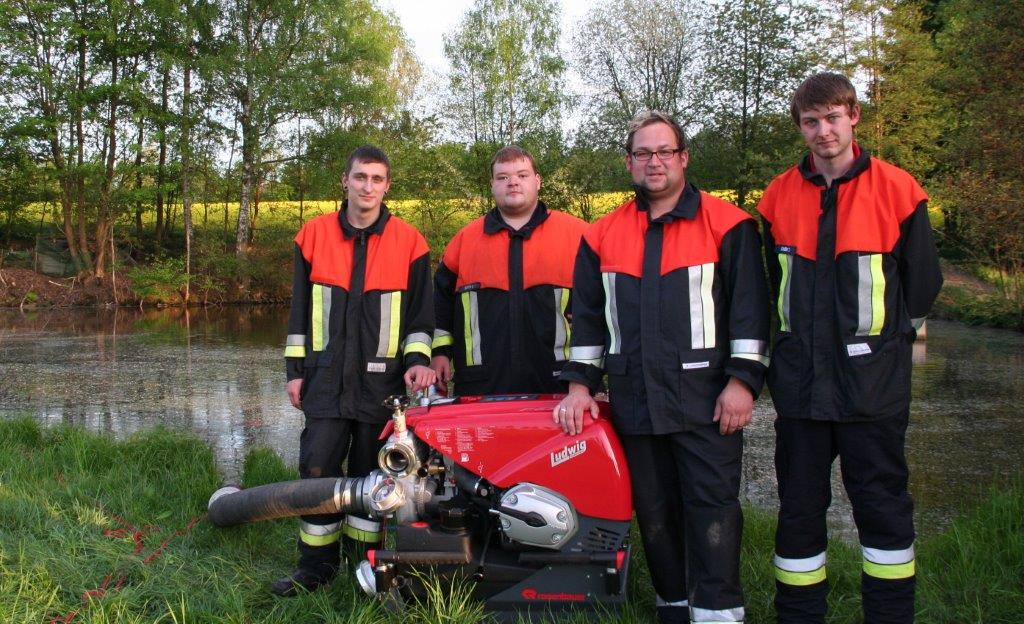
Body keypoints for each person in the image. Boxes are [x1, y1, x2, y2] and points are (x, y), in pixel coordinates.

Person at [554, 111, 771, 624]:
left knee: (712, 509)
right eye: (643, 153)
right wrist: (580, 386)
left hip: (707, 399)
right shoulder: (601, 234)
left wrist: (743, 383)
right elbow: (586, 318)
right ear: (629, 162)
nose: (655, 162)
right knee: (653, 513)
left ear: (683, 158)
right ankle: (672, 606)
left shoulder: (729, 224)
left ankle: (719, 611)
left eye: (664, 152)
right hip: (635, 400)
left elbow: (751, 310)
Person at [757, 72, 942, 623]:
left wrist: (886, 344)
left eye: (832, 117)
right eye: (811, 121)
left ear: (853, 116)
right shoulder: (778, 196)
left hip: (874, 390)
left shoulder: (898, 190)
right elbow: (767, 286)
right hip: (800, 390)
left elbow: (923, 282)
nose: (823, 131)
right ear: (800, 127)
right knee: (799, 513)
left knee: (883, 510)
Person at [275, 145, 436, 596]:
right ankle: (315, 567)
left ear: (387, 186)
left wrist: (418, 363)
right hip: (324, 380)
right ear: (345, 181)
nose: (368, 186)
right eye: (360, 177)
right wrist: (294, 371)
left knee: (373, 475)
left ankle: (362, 560)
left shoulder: (410, 241)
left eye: (377, 179)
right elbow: (299, 312)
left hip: (382, 386)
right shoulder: (312, 236)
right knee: (318, 469)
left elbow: (422, 318)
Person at [431, 145, 588, 395]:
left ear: (538, 181)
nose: (513, 183)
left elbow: (602, 309)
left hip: (559, 381)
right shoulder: (464, 241)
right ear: (492, 185)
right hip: (480, 383)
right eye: (503, 177)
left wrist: (590, 375)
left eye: (522, 175)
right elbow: (440, 307)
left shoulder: (579, 236)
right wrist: (439, 353)